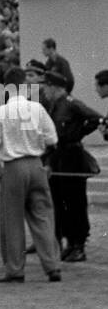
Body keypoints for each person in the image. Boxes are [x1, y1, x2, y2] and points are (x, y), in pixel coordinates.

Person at [0, 68, 61, 283]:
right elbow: (52, 141)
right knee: (43, 215)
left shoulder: (2, 111)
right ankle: (52, 265)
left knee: (12, 220)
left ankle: (15, 269)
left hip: (13, 166)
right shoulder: (37, 108)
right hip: (36, 165)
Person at [40, 69, 101, 263]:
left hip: (72, 157)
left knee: (75, 202)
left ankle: (78, 244)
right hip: (58, 157)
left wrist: (77, 134)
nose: (44, 91)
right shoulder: (54, 105)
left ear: (55, 87)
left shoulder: (71, 103)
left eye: (46, 87)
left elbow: (95, 118)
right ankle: (69, 242)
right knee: (61, 202)